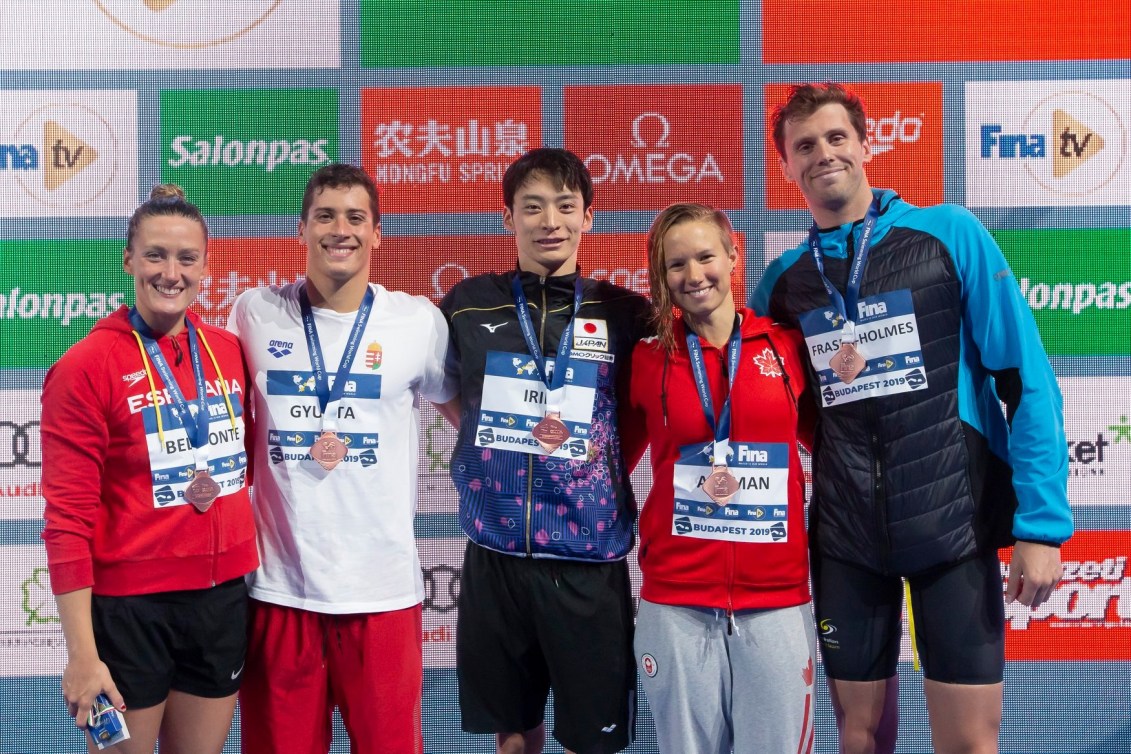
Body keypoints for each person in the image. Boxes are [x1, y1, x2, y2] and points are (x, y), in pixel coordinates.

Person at [753, 83, 1074, 754]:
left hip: (951, 528)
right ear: (784, 166)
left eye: (836, 138)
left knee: (967, 745)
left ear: (866, 144)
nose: (823, 155)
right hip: (845, 541)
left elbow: (1026, 382)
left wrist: (1040, 526)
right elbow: (780, 405)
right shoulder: (783, 281)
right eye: (803, 146)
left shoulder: (948, 233)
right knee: (859, 738)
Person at [227, 163, 458, 754]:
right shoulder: (253, 313)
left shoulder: (417, 322)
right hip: (281, 592)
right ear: (300, 229)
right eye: (325, 216)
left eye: (356, 217)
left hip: (380, 596)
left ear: (378, 233)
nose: (341, 230)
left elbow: (473, 421)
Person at [440, 147, 650, 754]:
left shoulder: (624, 313)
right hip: (495, 556)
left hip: (589, 560)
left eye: (565, 205)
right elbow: (441, 389)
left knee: (595, 739)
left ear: (589, 216)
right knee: (511, 734)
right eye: (532, 207)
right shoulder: (469, 303)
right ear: (508, 219)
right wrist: (478, 440)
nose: (549, 220)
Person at [41, 184, 258, 754]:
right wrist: (83, 656)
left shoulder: (229, 351)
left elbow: (245, 465)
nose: (171, 272)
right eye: (155, 255)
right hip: (129, 613)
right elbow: (67, 521)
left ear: (206, 267)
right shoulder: (85, 366)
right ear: (129, 259)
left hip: (220, 602)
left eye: (187, 258)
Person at [624, 203, 817, 753]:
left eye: (706, 256)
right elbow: (607, 463)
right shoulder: (645, 360)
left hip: (777, 600)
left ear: (733, 256)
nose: (693, 275)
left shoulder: (786, 347)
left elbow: (834, 445)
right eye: (675, 265)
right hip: (676, 601)